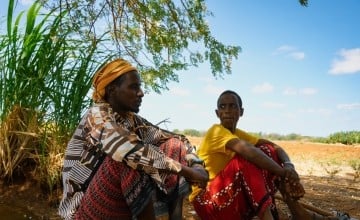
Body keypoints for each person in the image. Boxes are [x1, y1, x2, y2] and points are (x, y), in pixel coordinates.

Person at [58, 58, 208, 220]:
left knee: (174, 145)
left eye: (140, 87)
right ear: (112, 90)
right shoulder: (96, 116)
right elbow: (128, 150)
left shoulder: (133, 120)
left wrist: (196, 165)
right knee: (130, 159)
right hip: (83, 212)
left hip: (116, 206)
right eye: (133, 87)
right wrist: (188, 171)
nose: (141, 93)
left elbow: (179, 139)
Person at [189, 90, 350, 220]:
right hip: (208, 204)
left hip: (229, 202)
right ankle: (272, 216)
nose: (228, 111)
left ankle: (296, 210)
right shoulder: (215, 131)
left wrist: (288, 165)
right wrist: (283, 173)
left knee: (267, 150)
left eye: (233, 106)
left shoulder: (237, 133)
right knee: (246, 158)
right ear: (217, 113)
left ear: (241, 111)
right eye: (223, 107)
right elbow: (249, 152)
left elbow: (274, 147)